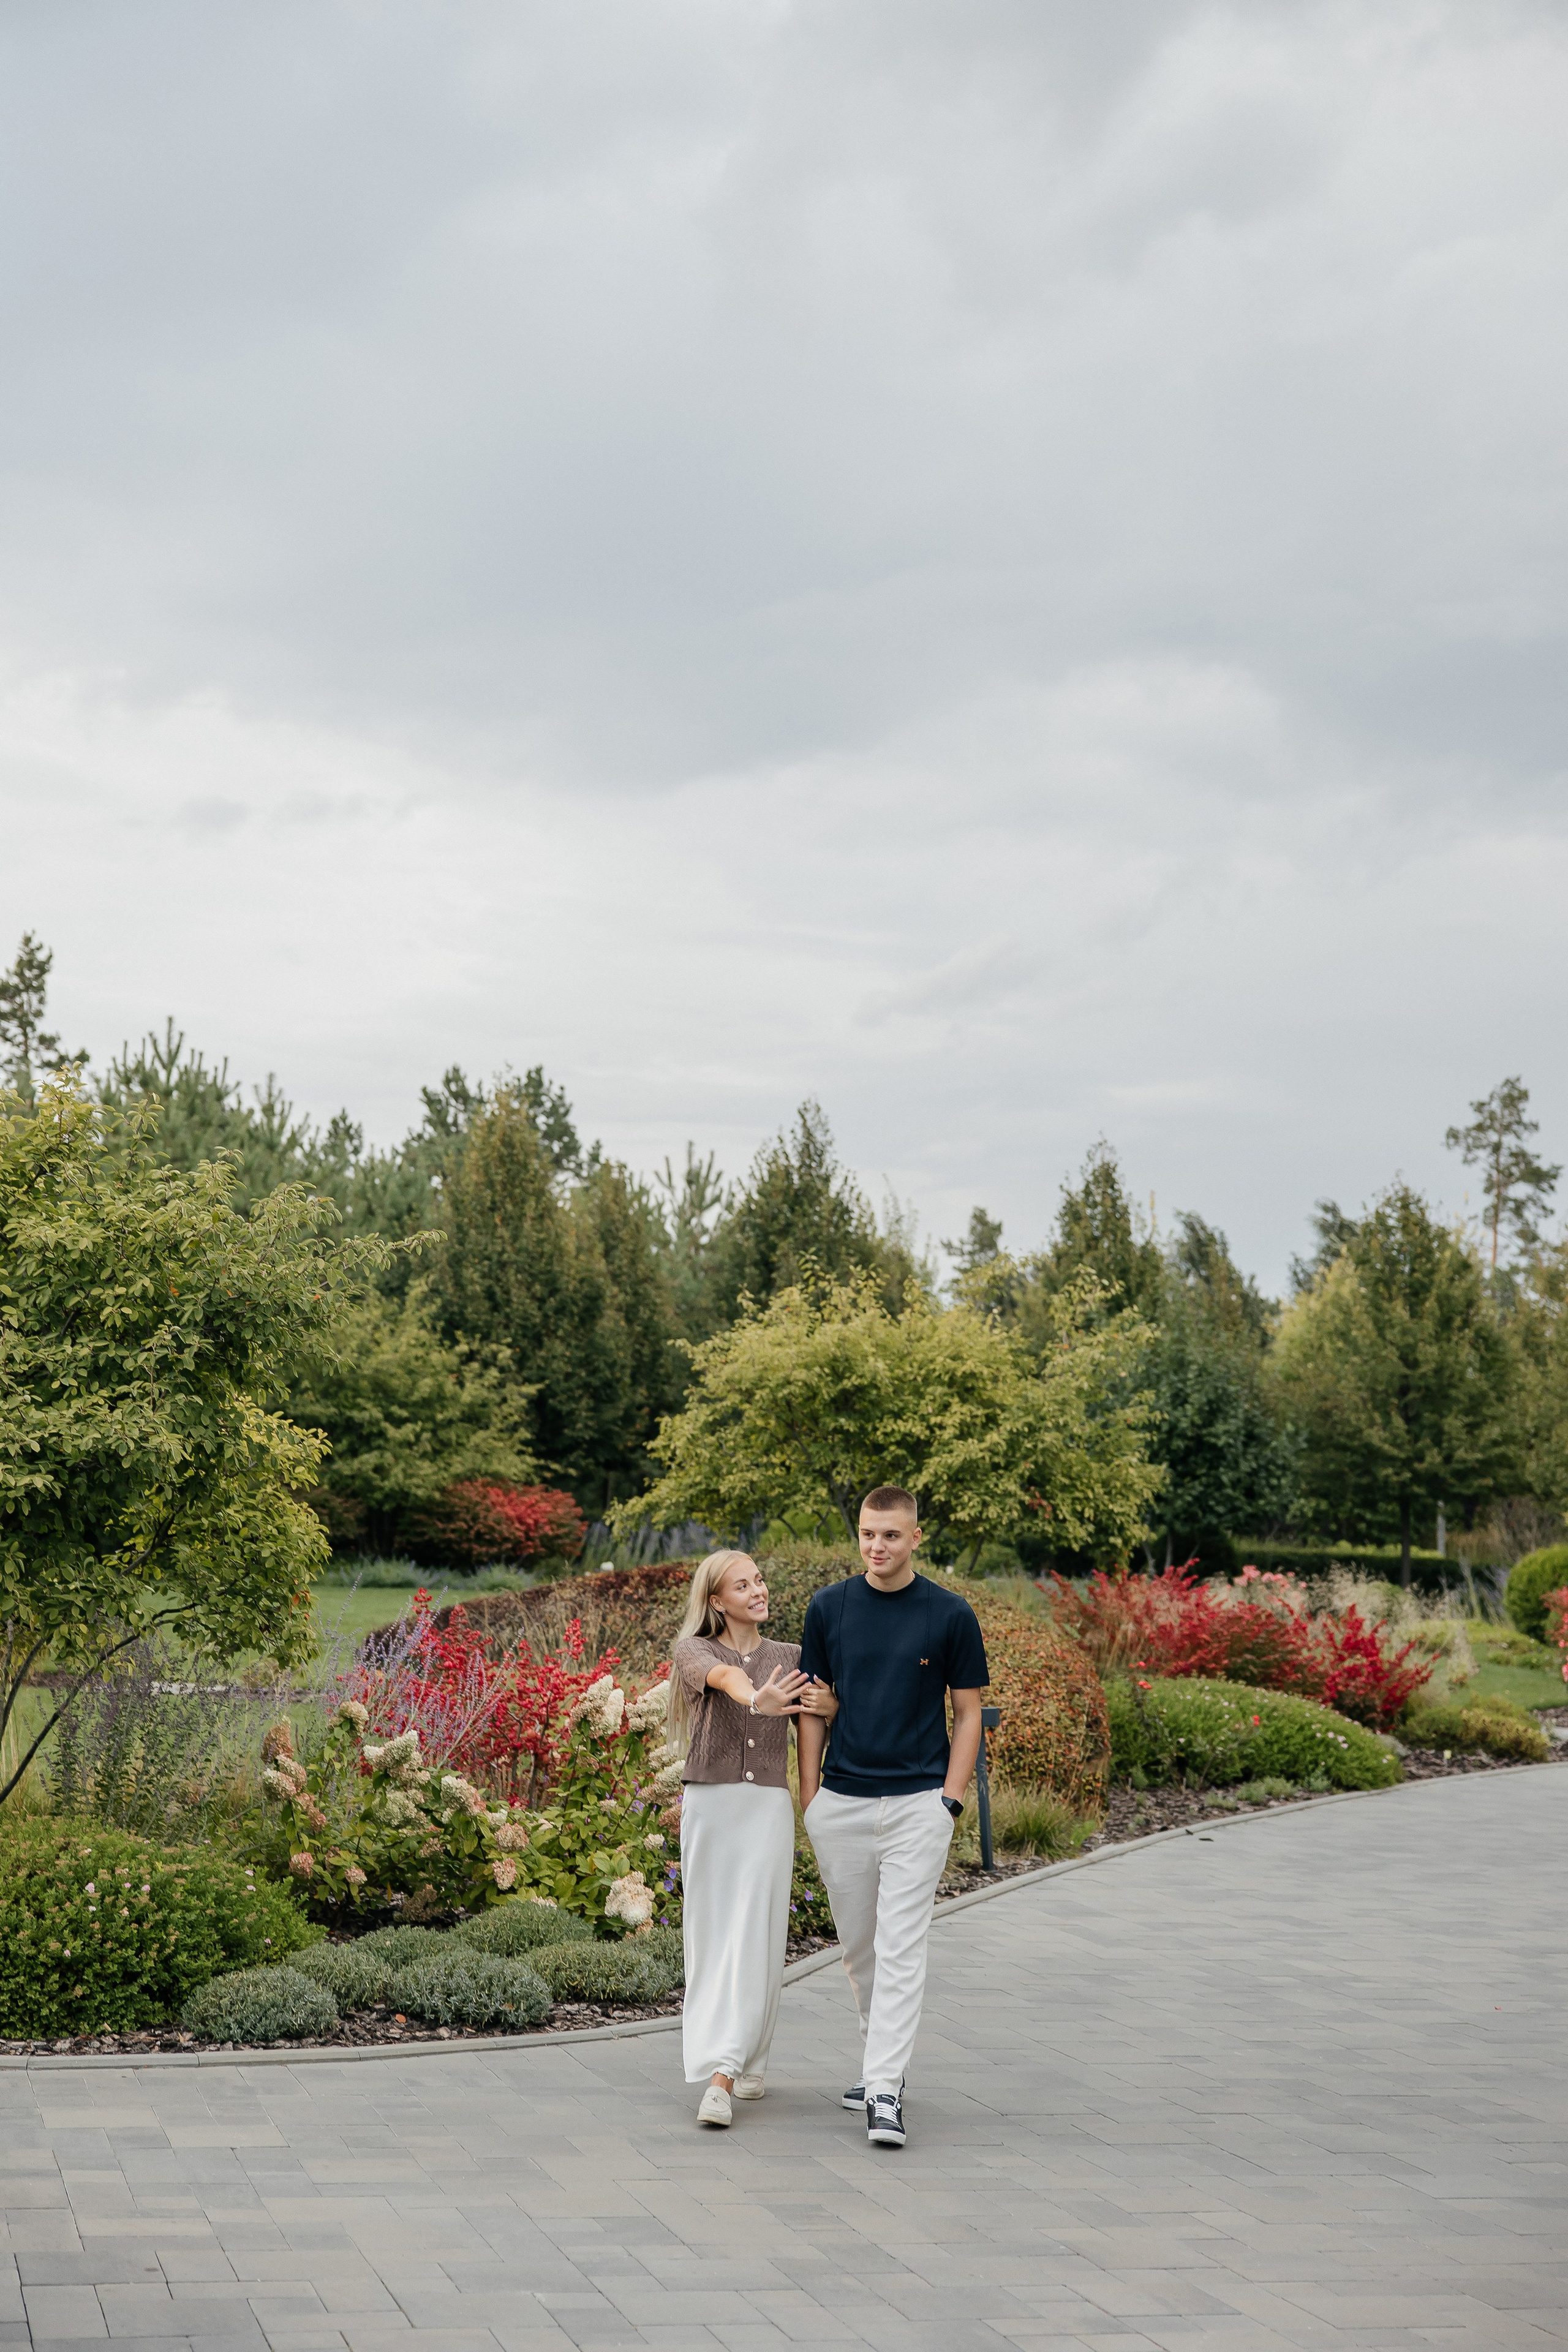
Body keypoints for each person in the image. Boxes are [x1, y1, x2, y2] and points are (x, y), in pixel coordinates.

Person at [797, 1484, 988, 2149]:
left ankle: (883, 2090)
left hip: (917, 1805)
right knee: (860, 1950)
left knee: (902, 1944)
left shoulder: (949, 1614)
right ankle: (885, 2061)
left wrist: (949, 1802)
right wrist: (810, 1799)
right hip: (841, 1803)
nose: (877, 1547)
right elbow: (812, 1708)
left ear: (914, 1539)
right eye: (867, 1535)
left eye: (890, 1536)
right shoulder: (829, 1609)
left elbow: (968, 1714)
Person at [669, 1550, 837, 2128]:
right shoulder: (696, 1649)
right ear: (717, 1600)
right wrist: (755, 1699)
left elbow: (817, 1724)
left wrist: (830, 1704)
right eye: (743, 1585)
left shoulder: (792, 1657)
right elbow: (728, 1680)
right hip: (712, 1808)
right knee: (712, 1935)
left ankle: (731, 2069)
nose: (758, 1590)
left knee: (760, 1933)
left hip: (767, 1808)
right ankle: (737, 2060)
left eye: (760, 1580)